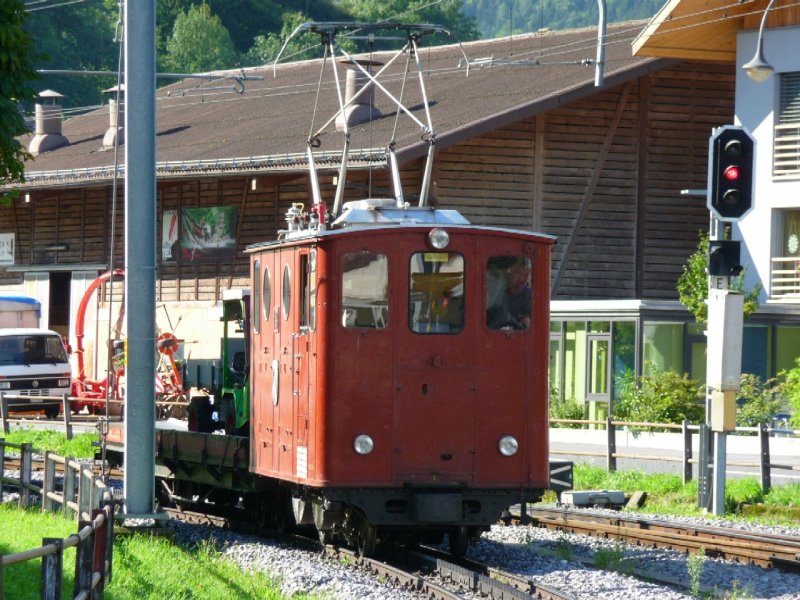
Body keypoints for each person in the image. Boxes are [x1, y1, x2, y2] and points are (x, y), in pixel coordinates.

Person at [487, 257, 531, 330]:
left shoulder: (530, 297)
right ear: (509, 272)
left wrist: (528, 320)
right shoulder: (496, 289)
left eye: (526, 275)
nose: (523, 279)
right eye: (519, 273)